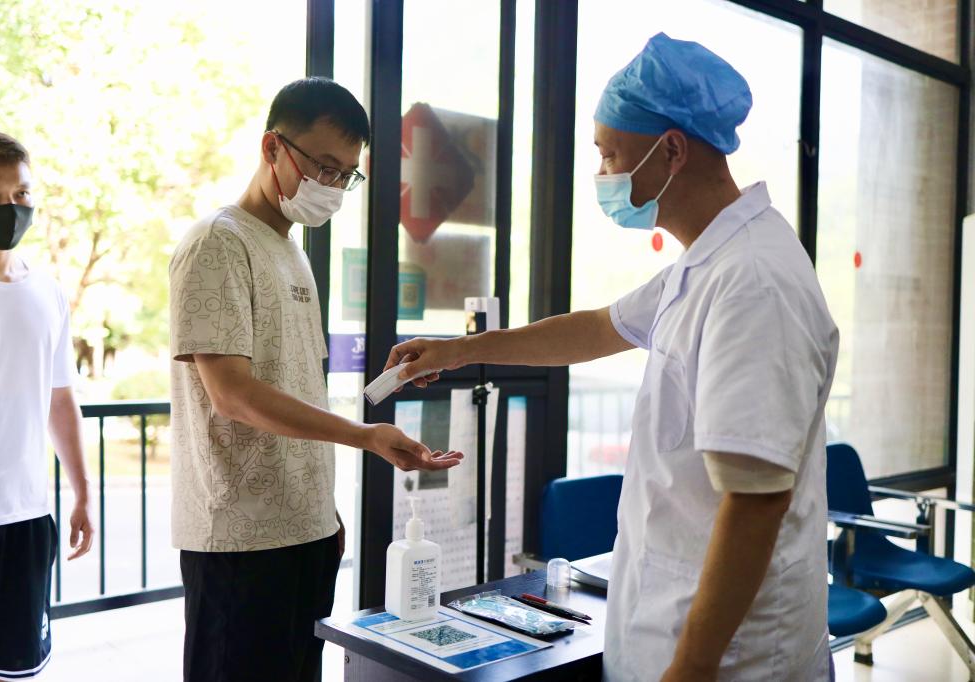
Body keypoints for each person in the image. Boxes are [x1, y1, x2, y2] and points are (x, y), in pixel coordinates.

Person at [384, 33, 838, 681]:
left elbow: (756, 502)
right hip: (667, 623)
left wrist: (691, 668)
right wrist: (462, 350)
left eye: (610, 154)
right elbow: (597, 329)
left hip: (733, 658)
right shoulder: (704, 266)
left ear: (672, 150)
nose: (603, 175)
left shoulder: (752, 282)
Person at [169, 77, 462, 682]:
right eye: (323, 166)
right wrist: (366, 436)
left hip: (306, 531)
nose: (331, 185)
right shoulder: (217, 243)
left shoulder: (293, 251)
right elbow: (233, 395)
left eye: (346, 174)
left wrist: (322, 512)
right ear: (272, 147)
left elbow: (295, 387)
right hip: (241, 539)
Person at [0, 131, 94, 682]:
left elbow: (60, 398)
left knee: (4, 673)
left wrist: (82, 491)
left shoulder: (48, 292)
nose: (9, 207)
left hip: (25, 518)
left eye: (21, 194)